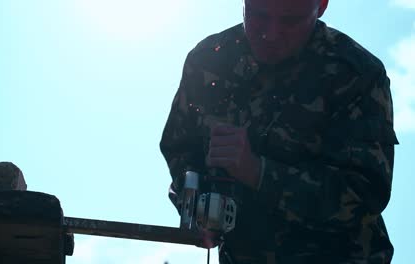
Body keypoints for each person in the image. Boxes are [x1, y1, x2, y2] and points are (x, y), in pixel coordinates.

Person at [160, 0, 399, 263]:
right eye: (258, 15)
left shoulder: (356, 74)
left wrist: (257, 172)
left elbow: (364, 196)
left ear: (321, 6)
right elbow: (180, 150)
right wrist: (197, 207)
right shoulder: (209, 61)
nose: (271, 34)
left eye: (290, 21)